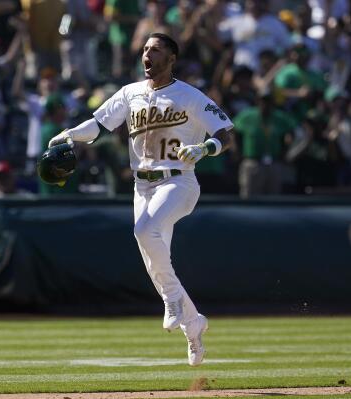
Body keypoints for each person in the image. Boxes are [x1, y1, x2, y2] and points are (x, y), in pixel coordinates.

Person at [48, 33, 234, 366]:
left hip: (179, 182)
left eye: (155, 50)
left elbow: (226, 134)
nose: (147, 55)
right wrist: (72, 135)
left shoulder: (189, 96)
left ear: (172, 58)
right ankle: (194, 326)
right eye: (145, 50)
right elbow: (100, 125)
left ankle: (174, 301)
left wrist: (205, 148)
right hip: (141, 186)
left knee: (144, 231)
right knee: (154, 263)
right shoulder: (130, 93)